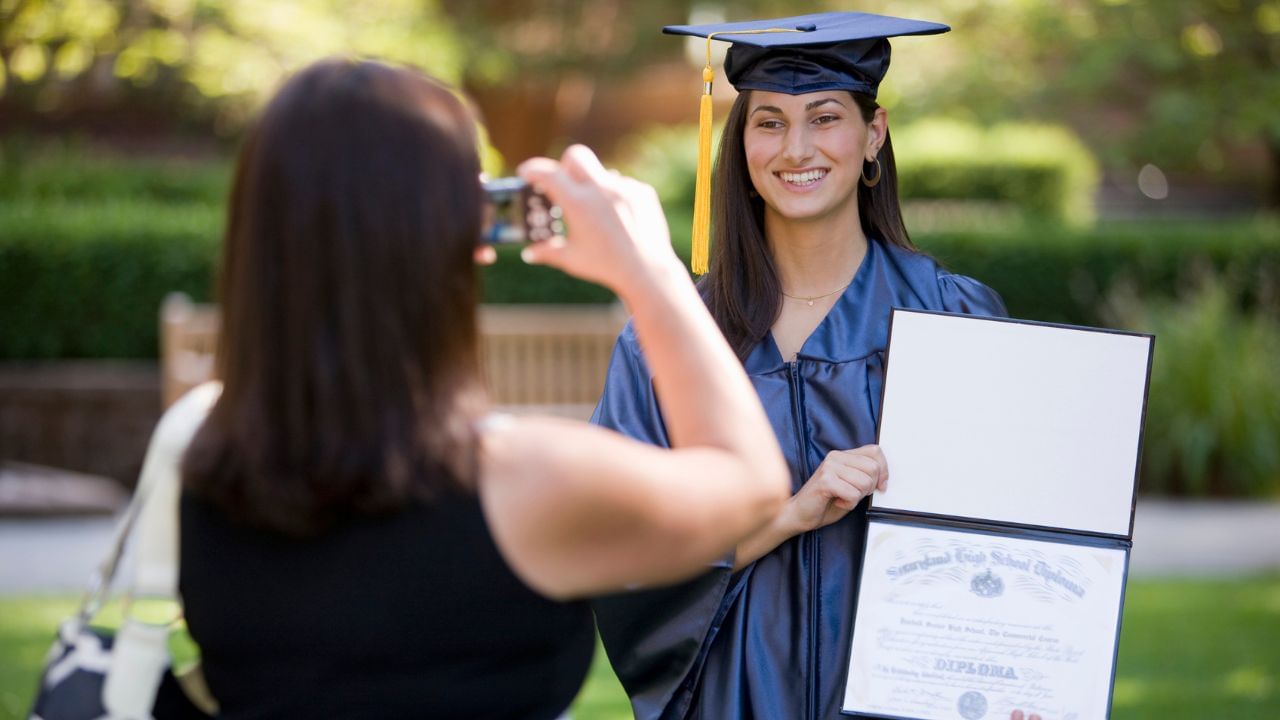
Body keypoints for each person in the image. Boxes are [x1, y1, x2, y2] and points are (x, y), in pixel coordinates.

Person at [176, 58, 789, 719]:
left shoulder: (205, 466)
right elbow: (750, 483)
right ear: (447, 237)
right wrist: (651, 274)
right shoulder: (525, 483)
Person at [590, 12, 1031, 720]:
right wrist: (790, 515)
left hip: (909, 697)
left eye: (825, 118)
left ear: (873, 134)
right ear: (741, 144)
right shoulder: (671, 342)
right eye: (769, 123)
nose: (796, 148)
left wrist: (1025, 677)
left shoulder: (953, 319)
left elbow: (1017, 536)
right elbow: (621, 549)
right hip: (735, 699)